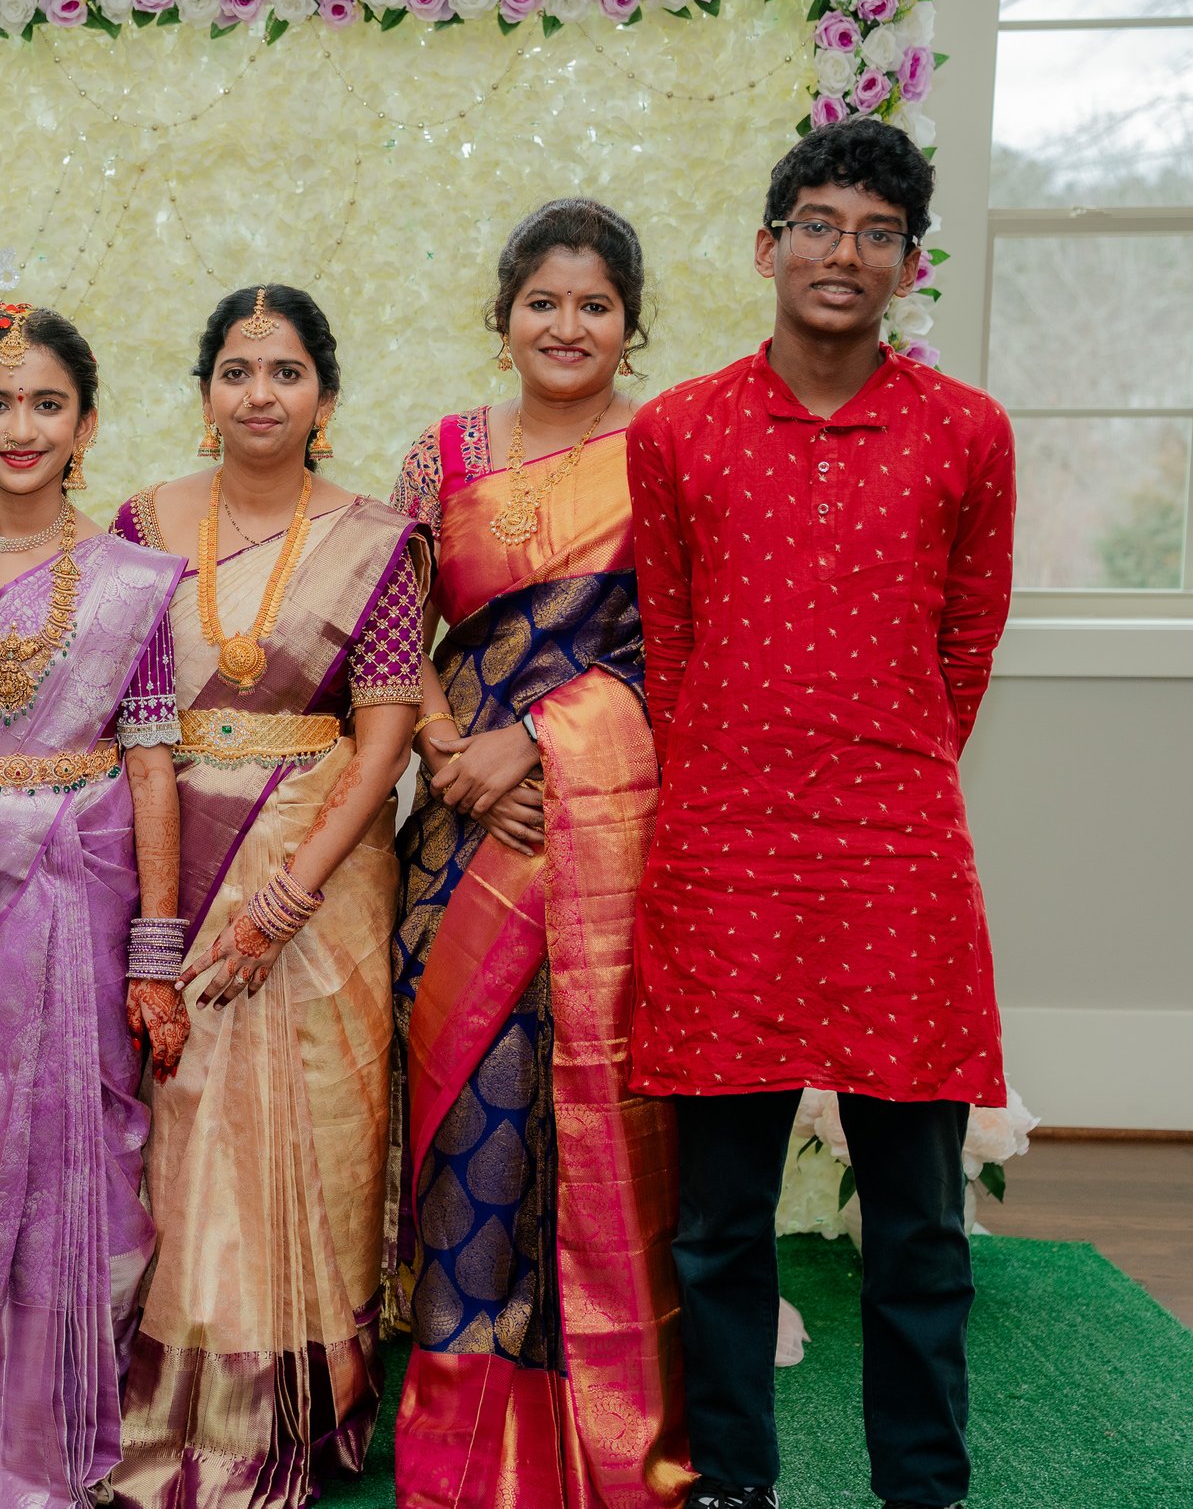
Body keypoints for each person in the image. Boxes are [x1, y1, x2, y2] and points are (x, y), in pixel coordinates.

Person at [626, 120, 1015, 1509]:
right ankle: (734, 1480)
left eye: (876, 233)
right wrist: (743, 780)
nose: (843, 253)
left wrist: (875, 773)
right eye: (818, 224)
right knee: (721, 1218)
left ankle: (923, 1487)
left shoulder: (968, 431)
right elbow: (670, 644)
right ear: (768, 246)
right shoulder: (678, 430)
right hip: (724, 854)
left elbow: (966, 644)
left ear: (908, 262)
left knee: (917, 1222)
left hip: (898, 856)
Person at [382, 200, 689, 1507]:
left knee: (588, 1125)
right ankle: (456, 1452)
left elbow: (684, 647)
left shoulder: (665, 452)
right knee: (472, 1116)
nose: (567, 326)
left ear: (630, 323)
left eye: (595, 306)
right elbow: (389, 626)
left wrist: (538, 748)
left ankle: (598, 1431)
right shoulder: (441, 455)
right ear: (503, 316)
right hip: (457, 841)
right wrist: (452, 751)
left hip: (603, 840)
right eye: (543, 303)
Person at [106, 284, 426, 1509]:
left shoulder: (378, 539)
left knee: (313, 1130)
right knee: (178, 1123)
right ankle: (162, 1412)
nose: (259, 393)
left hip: (319, 864)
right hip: (167, 847)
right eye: (236, 371)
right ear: (204, 395)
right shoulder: (142, 524)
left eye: (285, 372)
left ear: (324, 398)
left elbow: (384, 740)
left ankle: (292, 1411)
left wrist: (284, 900)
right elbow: (122, 713)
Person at [0, 304, 193, 1509]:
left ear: (86, 424)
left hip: (86, 896)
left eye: (46, 404)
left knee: (90, 1158)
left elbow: (153, 763)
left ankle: (60, 1423)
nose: (20, 428)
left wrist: (154, 952)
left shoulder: (133, 582)